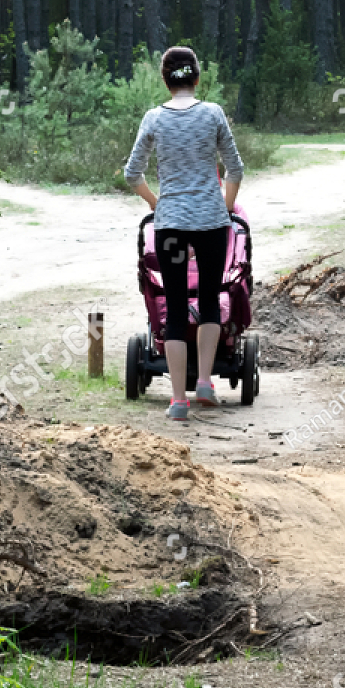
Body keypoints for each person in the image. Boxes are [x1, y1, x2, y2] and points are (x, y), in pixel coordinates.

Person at [124, 46, 246, 422]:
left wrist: (156, 204)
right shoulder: (213, 114)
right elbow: (235, 169)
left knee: (174, 306)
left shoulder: (154, 119)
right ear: (197, 77)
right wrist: (224, 209)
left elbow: (132, 173)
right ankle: (206, 382)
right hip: (212, 224)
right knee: (211, 296)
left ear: (165, 78)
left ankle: (178, 400)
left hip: (172, 225)